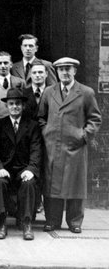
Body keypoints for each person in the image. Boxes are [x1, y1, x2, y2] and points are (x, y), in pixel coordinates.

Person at [38, 57, 101, 234]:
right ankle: (52, 220)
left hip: (76, 146)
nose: (65, 72)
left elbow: (95, 118)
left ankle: (75, 221)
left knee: (75, 183)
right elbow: (41, 117)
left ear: (75, 71)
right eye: (61, 69)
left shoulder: (86, 92)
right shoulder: (49, 92)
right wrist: (46, 132)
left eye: (68, 69)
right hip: (52, 145)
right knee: (52, 184)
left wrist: (83, 135)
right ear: (56, 72)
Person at [0, 88, 42, 240]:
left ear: (23, 106)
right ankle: (2, 222)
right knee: (0, 182)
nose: (14, 107)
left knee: (29, 182)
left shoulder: (32, 126)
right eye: (11, 103)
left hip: (23, 169)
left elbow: (36, 151)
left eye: (18, 104)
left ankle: (26, 223)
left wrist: (31, 169)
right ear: (7, 106)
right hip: (6, 169)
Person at [0, 52, 25, 122]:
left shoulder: (20, 82)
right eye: (0, 63)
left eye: (6, 63)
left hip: (16, 122)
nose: (3, 66)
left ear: (11, 64)